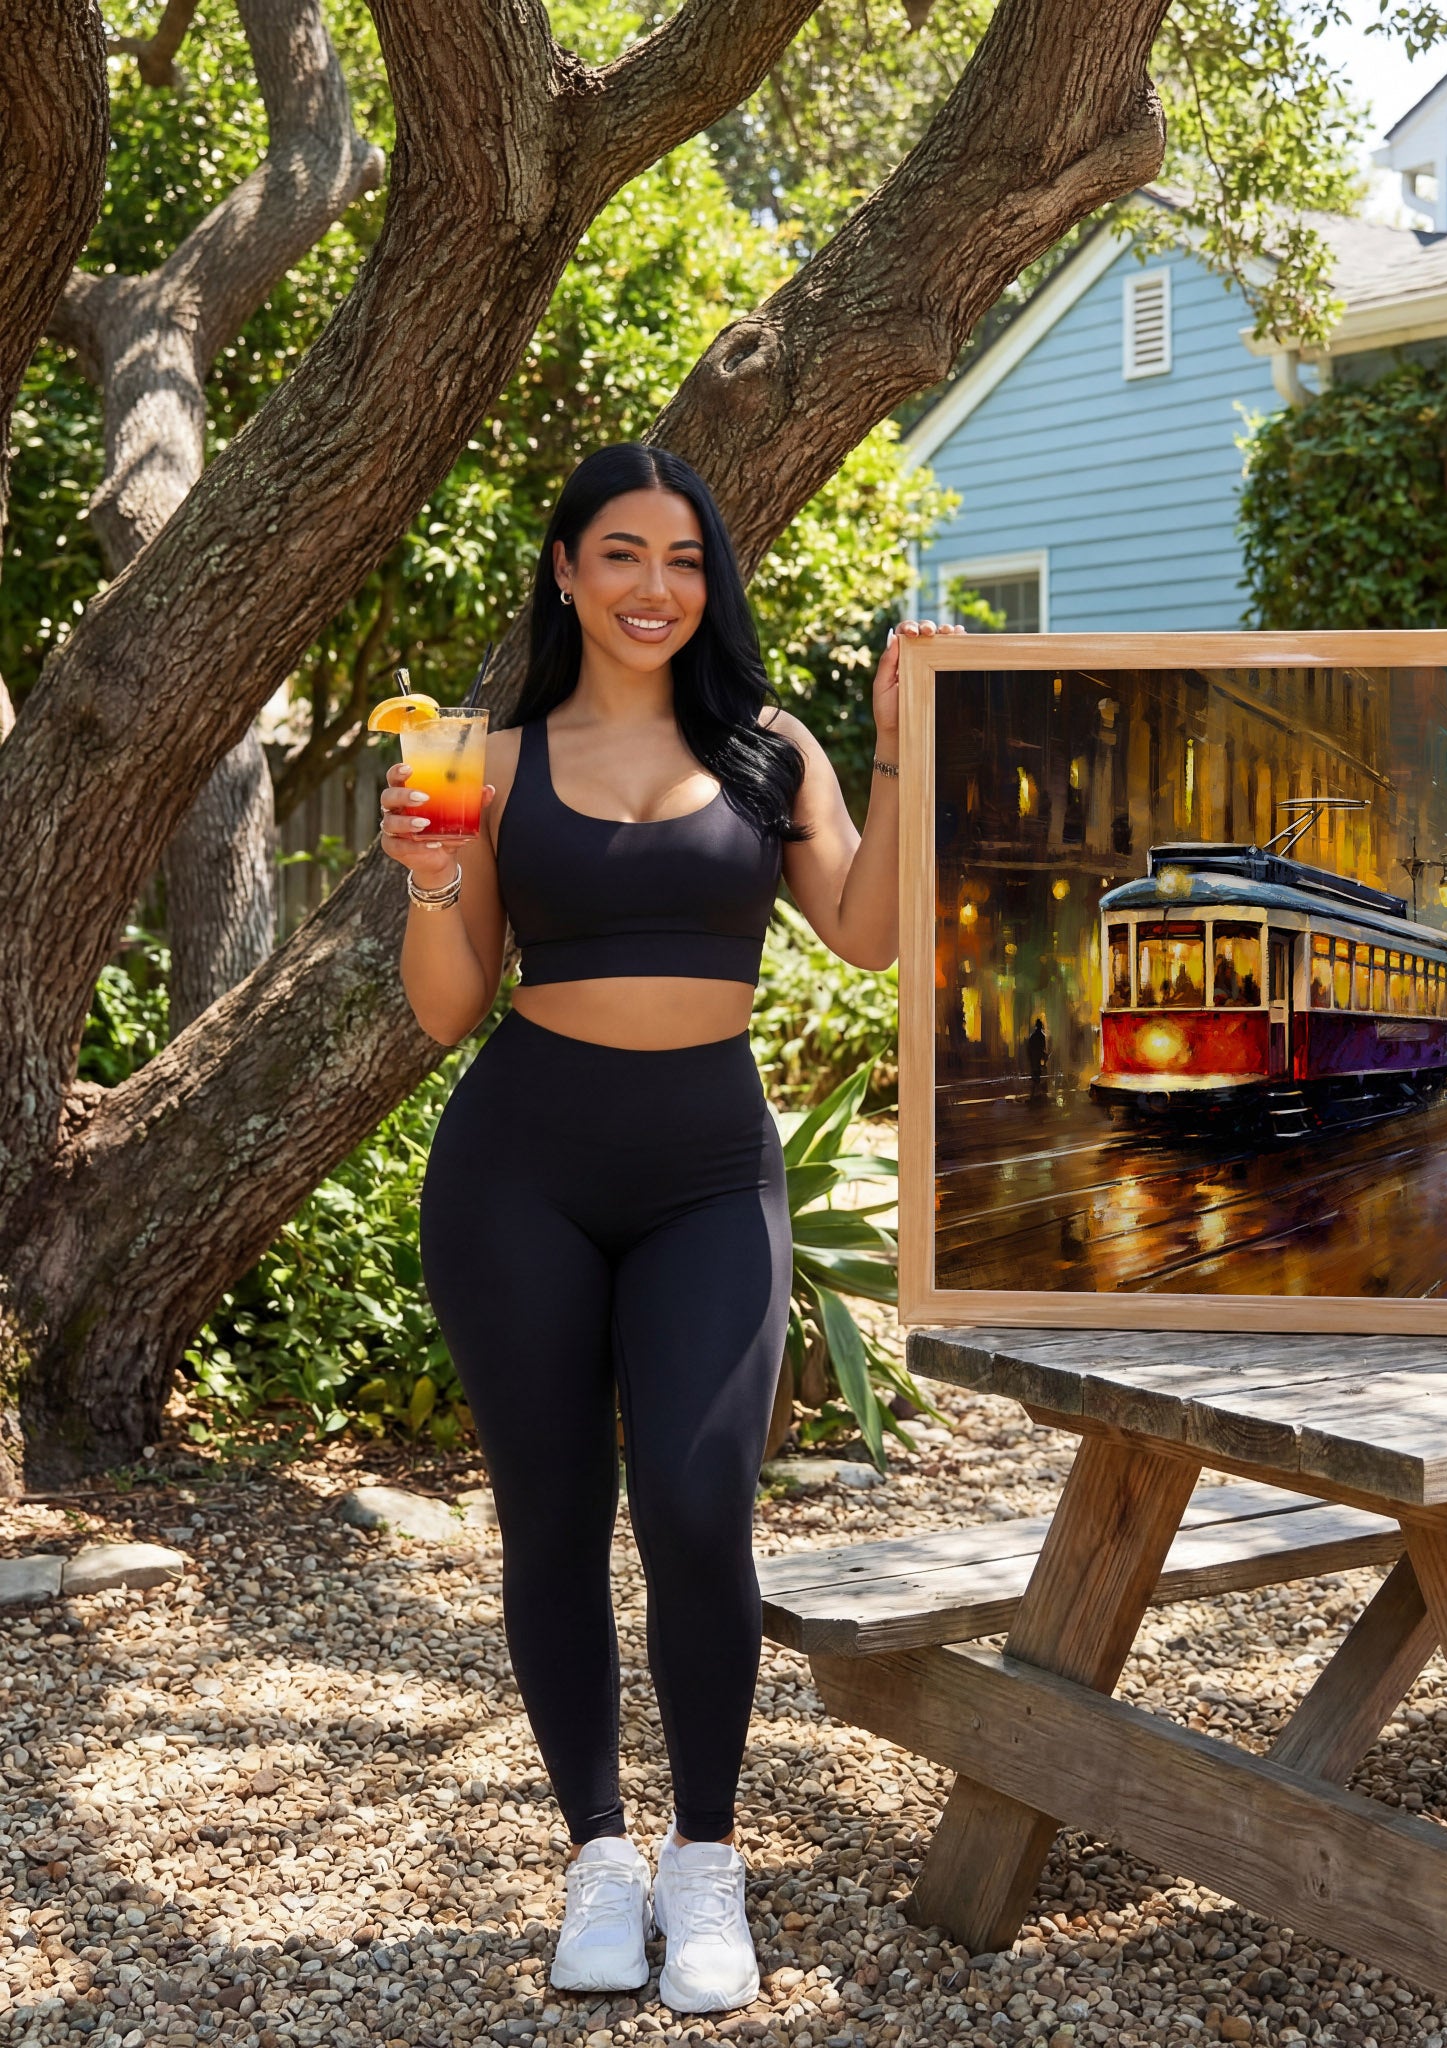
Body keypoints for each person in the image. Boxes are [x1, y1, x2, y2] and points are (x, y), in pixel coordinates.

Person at [381, 443, 963, 2015]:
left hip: (712, 1171)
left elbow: (868, 936)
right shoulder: (482, 761)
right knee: (551, 1519)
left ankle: (707, 1860)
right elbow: (446, 1016)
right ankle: (598, 1856)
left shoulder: (771, 750)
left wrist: (896, 754)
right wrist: (434, 877)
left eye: (686, 560)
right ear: (566, 570)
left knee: (701, 1506)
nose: (656, 587)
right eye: (624, 555)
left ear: (714, 584)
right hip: (521, 1171)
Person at [1026, 1015, 1049, 1097]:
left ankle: (1034, 1092)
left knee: (1035, 1073)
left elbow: (1029, 1047)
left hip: (1034, 1057)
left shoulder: (1032, 1036)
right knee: (1039, 1072)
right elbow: (1044, 1047)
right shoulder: (1042, 1036)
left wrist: (1030, 1057)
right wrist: (1044, 1057)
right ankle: (1038, 1091)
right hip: (1039, 1057)